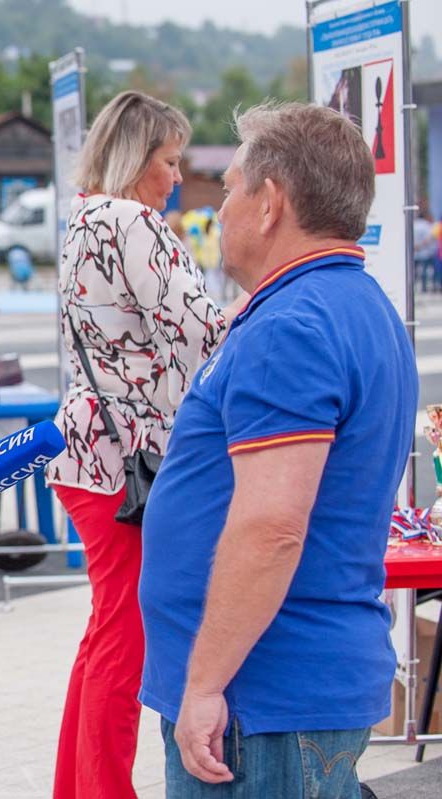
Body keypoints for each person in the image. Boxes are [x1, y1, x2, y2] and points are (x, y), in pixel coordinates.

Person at [139, 102, 417, 796]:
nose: (220, 207)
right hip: (281, 695)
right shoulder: (352, 305)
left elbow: (271, 527)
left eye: (231, 188)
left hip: (260, 701)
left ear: (270, 204)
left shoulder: (292, 325)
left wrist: (205, 683)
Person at [44, 90, 241, 799]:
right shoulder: (134, 222)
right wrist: (251, 310)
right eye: (169, 160)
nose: (177, 178)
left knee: (106, 633)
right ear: (135, 158)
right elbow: (200, 336)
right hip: (133, 455)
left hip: (92, 451)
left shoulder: (83, 218)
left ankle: (78, 787)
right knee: (127, 640)